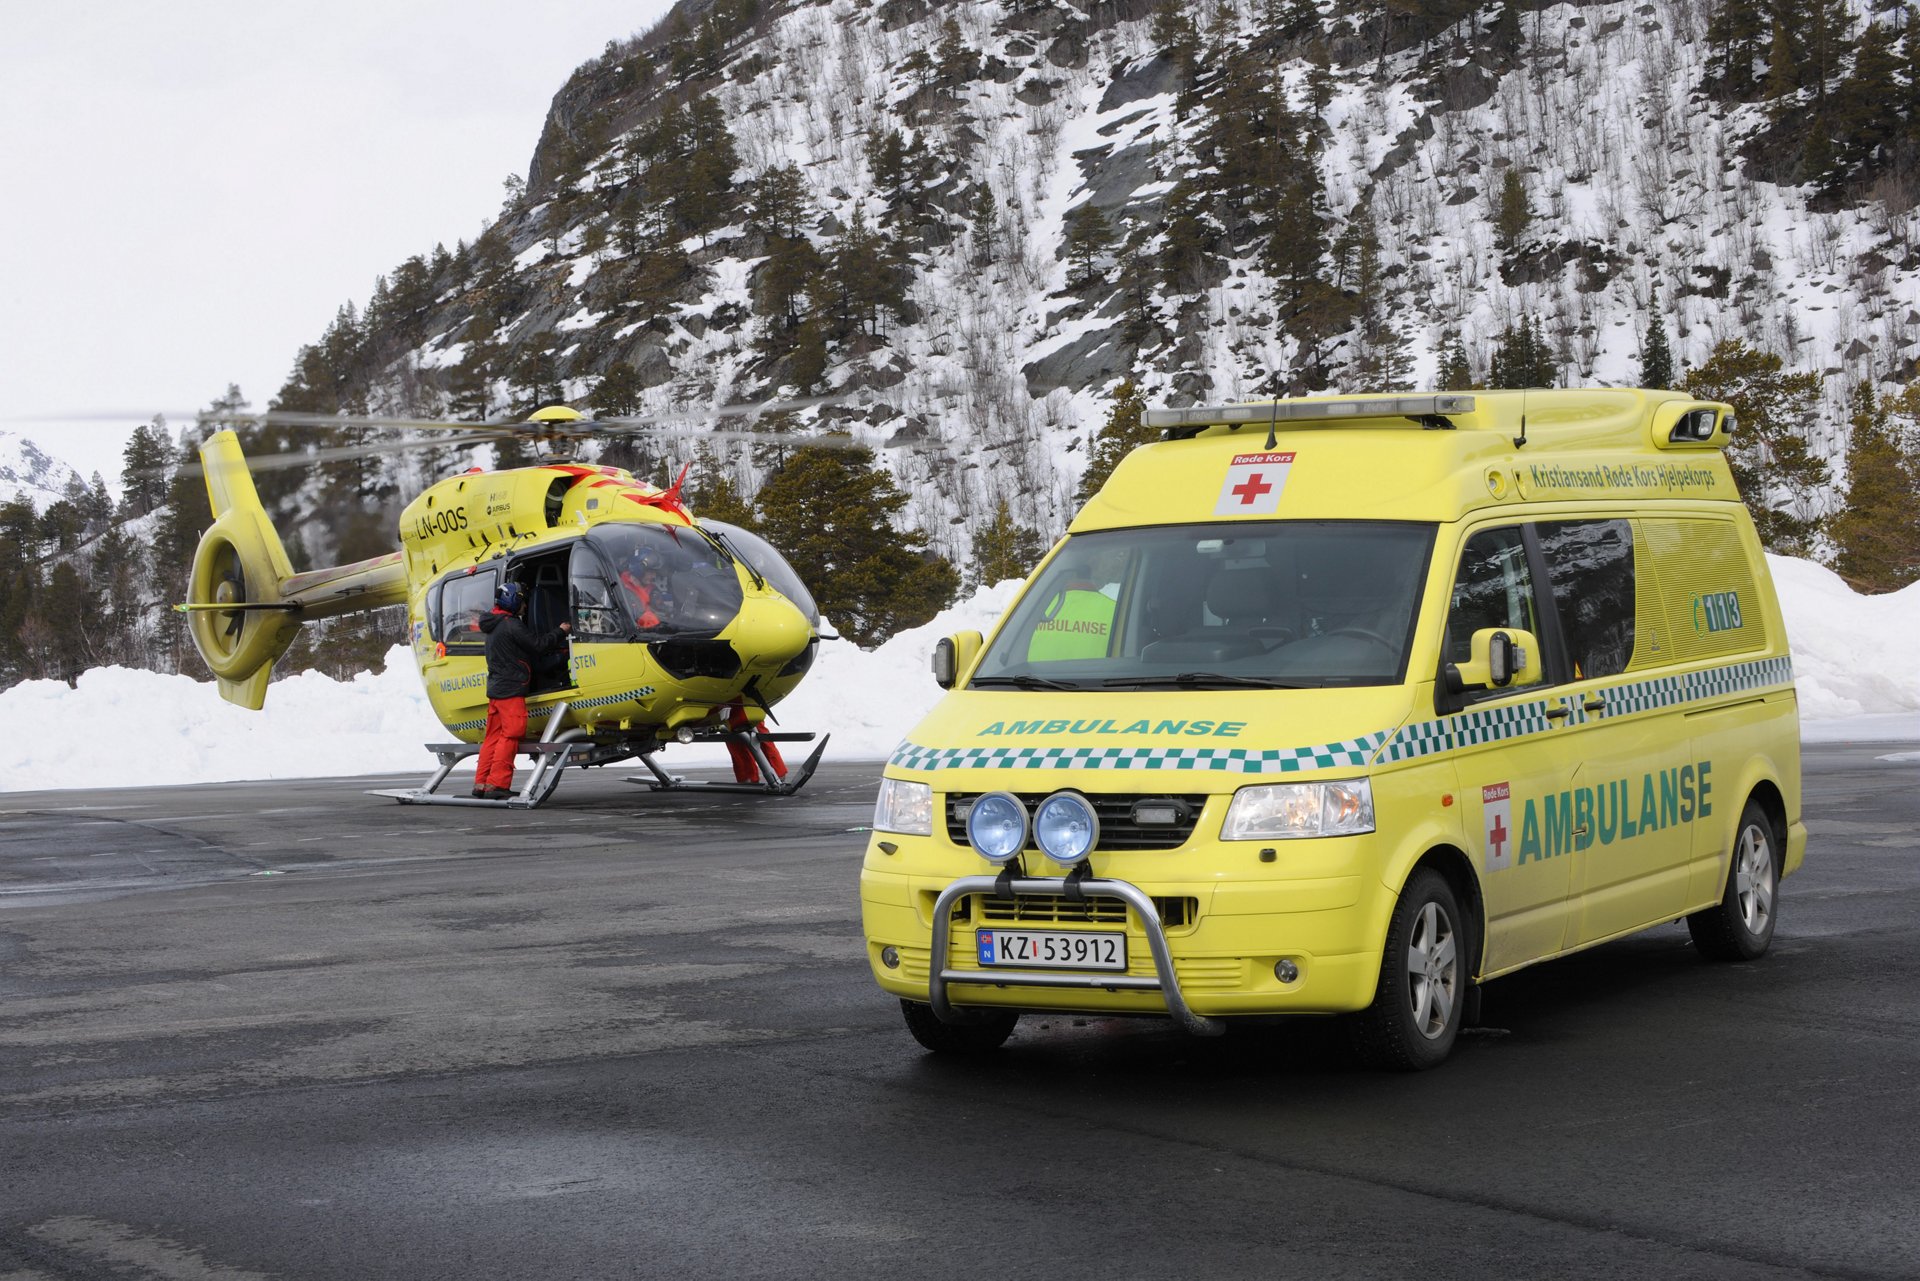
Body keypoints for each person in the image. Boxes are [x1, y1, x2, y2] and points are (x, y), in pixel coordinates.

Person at [472, 580, 571, 800]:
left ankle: (481, 783)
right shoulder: (511, 625)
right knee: (512, 734)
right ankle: (497, 784)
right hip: (511, 690)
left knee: (493, 737)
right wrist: (561, 631)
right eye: (522, 601)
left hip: (497, 690)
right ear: (513, 601)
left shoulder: (494, 624)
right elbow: (538, 645)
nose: (524, 606)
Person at [618, 545, 676, 629]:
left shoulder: (652, 590)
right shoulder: (620, 588)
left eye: (655, 572)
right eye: (650, 572)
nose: (654, 576)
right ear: (638, 570)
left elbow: (660, 609)